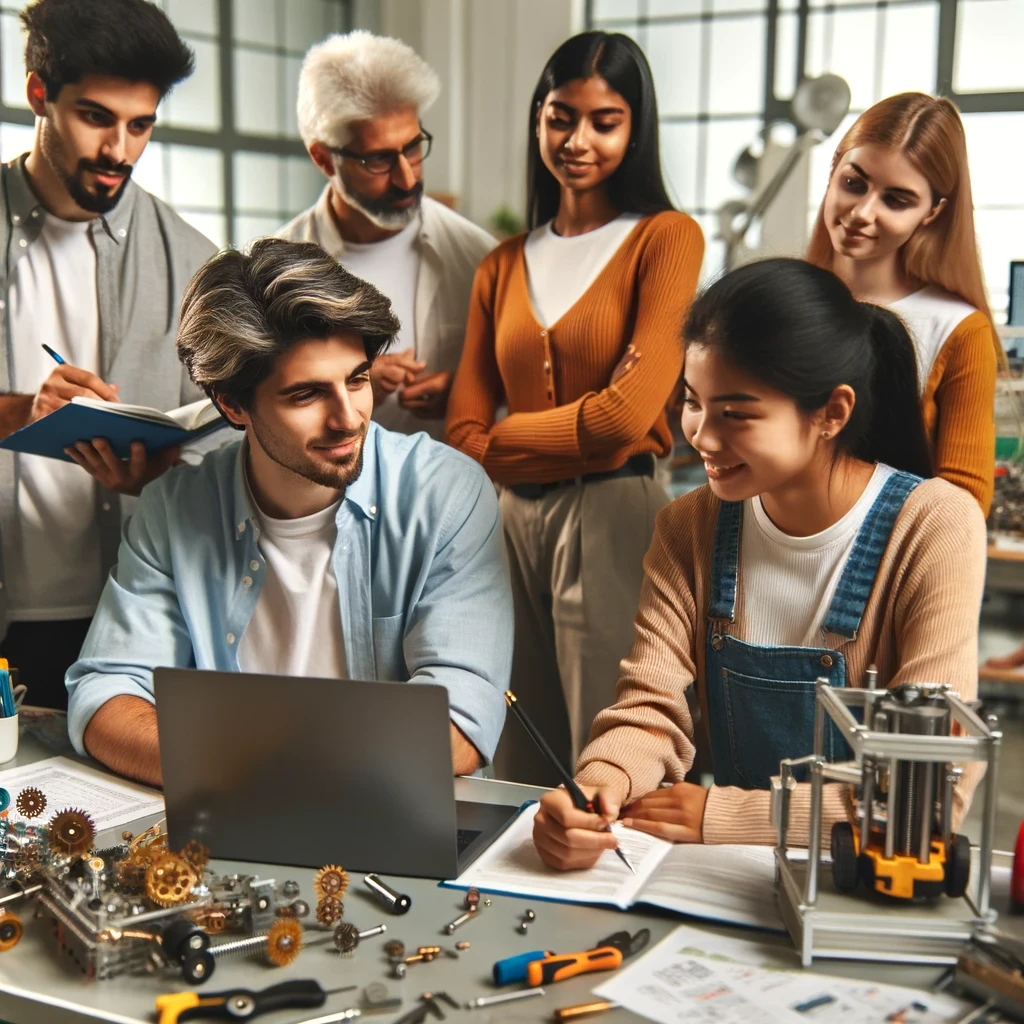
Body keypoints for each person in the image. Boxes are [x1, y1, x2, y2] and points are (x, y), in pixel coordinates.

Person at [531, 258, 986, 865]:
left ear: (832, 412)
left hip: (864, 878)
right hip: (728, 873)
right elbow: (649, 706)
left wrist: (729, 815)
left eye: (736, 413)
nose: (702, 436)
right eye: (693, 403)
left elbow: (924, 793)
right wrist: (601, 783)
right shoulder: (689, 525)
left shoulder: (935, 525)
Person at [66, 238, 512, 788]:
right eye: (306, 395)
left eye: (357, 378)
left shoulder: (448, 494)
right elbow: (106, 694)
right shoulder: (174, 509)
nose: (348, 419)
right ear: (232, 403)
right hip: (236, 818)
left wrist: (253, 768)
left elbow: (460, 720)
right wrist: (259, 777)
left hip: (393, 818)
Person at [445, 31, 704, 784]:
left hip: (613, 509)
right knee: (515, 739)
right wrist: (584, 424)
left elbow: (629, 423)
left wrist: (505, 433)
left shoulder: (667, 240)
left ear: (636, 128)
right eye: (560, 116)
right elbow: (461, 437)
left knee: (613, 745)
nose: (577, 139)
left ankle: (624, 896)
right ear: (538, 120)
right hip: (505, 523)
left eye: (604, 120)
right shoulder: (501, 263)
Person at [0, 0, 217, 709]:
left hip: (126, 617)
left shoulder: (193, 262)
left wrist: (163, 474)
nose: (120, 150)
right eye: (96, 117)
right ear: (39, 94)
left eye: (141, 125)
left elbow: (227, 448)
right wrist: (22, 412)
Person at [278, 30, 494, 440]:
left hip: (454, 495)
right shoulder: (274, 274)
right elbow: (254, 410)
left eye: (412, 147)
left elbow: (518, 393)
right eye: (378, 159)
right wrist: (346, 381)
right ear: (323, 158)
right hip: (323, 502)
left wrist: (468, 396)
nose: (407, 176)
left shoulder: (480, 256)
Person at [807, 92, 999, 515]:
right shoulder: (782, 301)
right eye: (853, 184)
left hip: (889, 567)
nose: (862, 212)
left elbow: (962, 504)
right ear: (832, 171)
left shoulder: (956, 330)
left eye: (895, 200)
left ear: (932, 212)